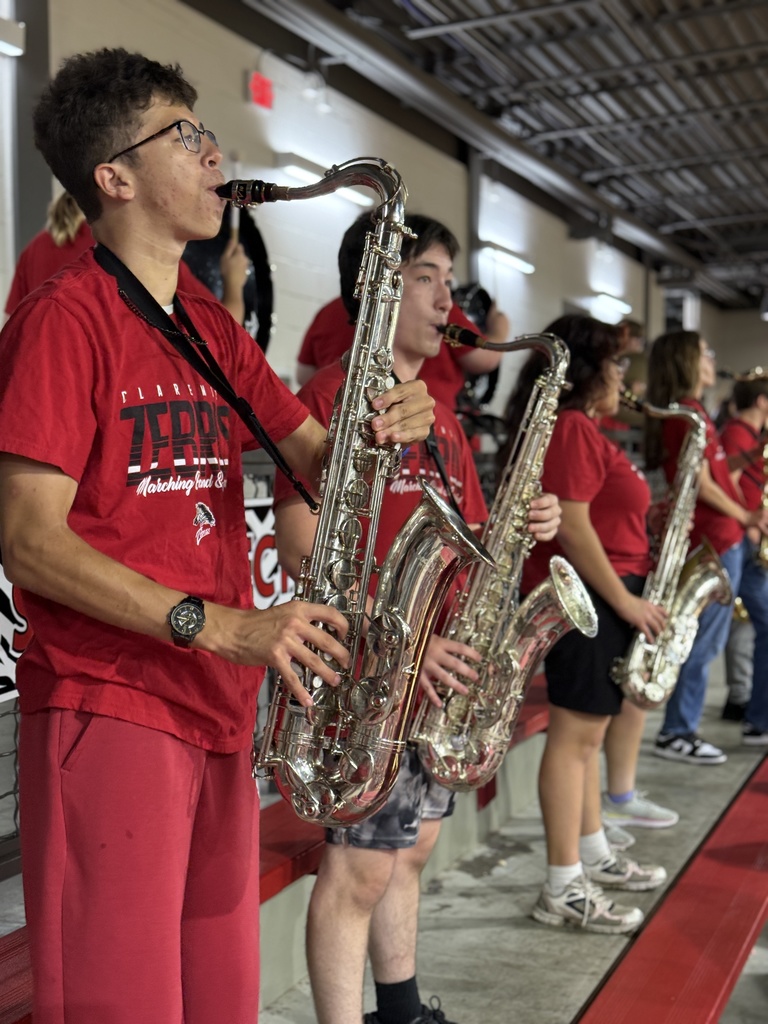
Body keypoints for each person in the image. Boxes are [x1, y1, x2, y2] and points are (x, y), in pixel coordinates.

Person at [0, 47, 435, 1024]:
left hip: (217, 707)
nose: (215, 154)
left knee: (220, 1004)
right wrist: (227, 626)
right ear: (114, 177)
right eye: (186, 135)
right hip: (111, 701)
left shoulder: (205, 316)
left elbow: (317, 458)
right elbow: (27, 542)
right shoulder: (62, 318)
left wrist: (390, 422)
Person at [273, 213, 561, 1024]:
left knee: (413, 850)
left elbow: (467, 535)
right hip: (366, 674)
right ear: (377, 288)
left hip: (436, 669)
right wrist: (407, 642)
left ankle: (398, 1010)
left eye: (447, 279)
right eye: (428, 277)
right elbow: (303, 549)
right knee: (360, 870)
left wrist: (523, 519)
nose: (449, 299)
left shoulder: (437, 409)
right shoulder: (327, 398)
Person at [506, 313, 669, 935]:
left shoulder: (585, 428)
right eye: (617, 364)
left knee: (589, 739)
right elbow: (573, 527)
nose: (623, 376)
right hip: (590, 599)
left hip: (608, 595)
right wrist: (624, 603)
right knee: (574, 740)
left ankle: (591, 853)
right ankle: (561, 885)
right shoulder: (572, 426)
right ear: (590, 369)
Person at [645, 331, 768, 764]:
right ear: (686, 361)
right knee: (702, 642)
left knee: (707, 640)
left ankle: (682, 727)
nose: (712, 359)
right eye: (704, 353)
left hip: (725, 538)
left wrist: (753, 461)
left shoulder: (697, 412)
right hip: (715, 540)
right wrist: (746, 516)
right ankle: (677, 730)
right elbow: (699, 484)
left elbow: (717, 474)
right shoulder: (687, 414)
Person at [294, 217, 509, 411]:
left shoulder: (326, 312)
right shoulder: (321, 395)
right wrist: (501, 326)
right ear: (381, 281)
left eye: (448, 282)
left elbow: (303, 374)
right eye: (425, 278)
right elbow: (484, 360)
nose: (446, 303)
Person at [4, 190, 251, 324]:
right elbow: (223, 326)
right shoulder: (136, 248)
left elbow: (13, 330)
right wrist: (234, 282)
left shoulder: (35, 249)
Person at [719, 378, 768, 744]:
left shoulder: (751, 435)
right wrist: (748, 519)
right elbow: (727, 480)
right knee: (722, 632)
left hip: (750, 542)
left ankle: (755, 714)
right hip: (741, 541)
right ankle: (751, 713)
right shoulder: (738, 432)